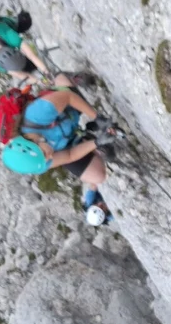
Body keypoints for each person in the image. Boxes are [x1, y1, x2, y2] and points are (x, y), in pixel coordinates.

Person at [8, 87, 113, 225]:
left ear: (34, 143)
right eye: (46, 159)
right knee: (98, 175)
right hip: (68, 142)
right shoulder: (39, 163)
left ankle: (63, 80)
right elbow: (69, 155)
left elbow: (68, 96)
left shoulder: (36, 115)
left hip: (67, 107)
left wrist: (99, 118)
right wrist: (97, 142)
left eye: (45, 154)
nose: (50, 158)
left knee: (71, 90)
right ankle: (88, 137)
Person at [0, 7, 66, 86]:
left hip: (12, 26)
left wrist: (45, 71)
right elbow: (18, 73)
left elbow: (29, 53)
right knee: (27, 67)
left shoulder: (1, 30)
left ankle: (22, 17)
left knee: (26, 21)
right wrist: (40, 81)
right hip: (13, 53)